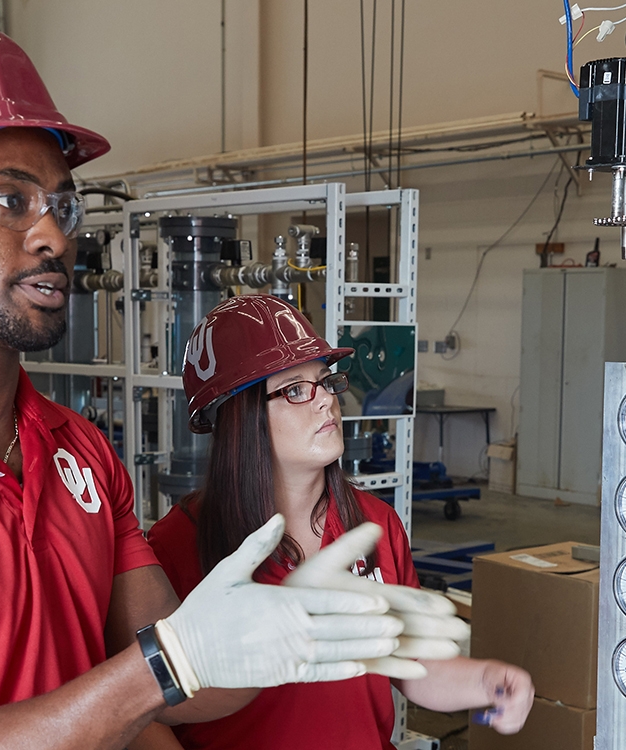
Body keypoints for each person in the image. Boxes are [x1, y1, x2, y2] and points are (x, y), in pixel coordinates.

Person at [0, 20, 464, 750]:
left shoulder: (80, 454)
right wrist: (167, 664)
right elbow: (157, 675)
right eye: (9, 199)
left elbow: (181, 691)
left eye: (61, 204)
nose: (54, 235)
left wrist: (290, 624)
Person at [144, 295, 535, 749]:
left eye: (326, 381)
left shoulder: (373, 524)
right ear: (237, 417)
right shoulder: (176, 545)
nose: (327, 400)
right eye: (294, 389)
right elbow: (146, 711)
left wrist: (486, 679)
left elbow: (408, 664)